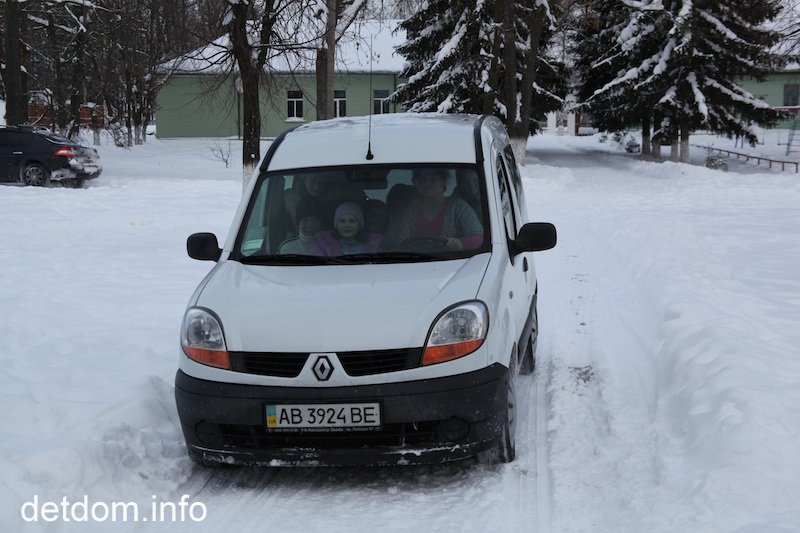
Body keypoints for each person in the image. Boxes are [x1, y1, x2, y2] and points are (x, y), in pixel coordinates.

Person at [386, 168, 483, 250]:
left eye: (433, 180)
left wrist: (461, 243)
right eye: (422, 180)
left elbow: (479, 239)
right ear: (416, 184)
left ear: (443, 182)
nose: (427, 184)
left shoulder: (459, 207)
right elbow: (402, 243)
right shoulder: (412, 211)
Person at [315, 202, 382, 256]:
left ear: (360, 225)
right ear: (336, 225)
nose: (346, 225)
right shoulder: (325, 245)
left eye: (352, 221)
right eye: (342, 221)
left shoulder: (375, 245)